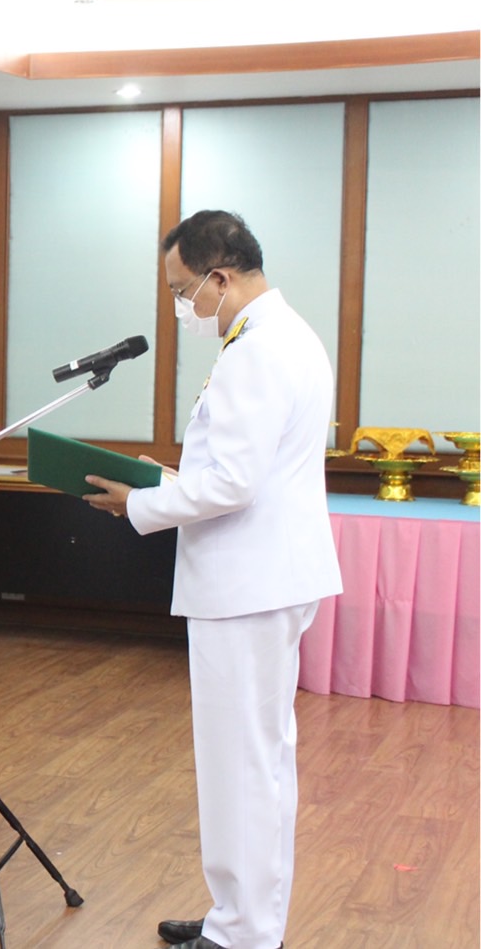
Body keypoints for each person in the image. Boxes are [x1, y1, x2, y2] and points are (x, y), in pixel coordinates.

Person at [83, 210, 342, 949]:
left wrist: (138, 503)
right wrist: (167, 481)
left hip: (247, 583)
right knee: (255, 759)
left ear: (219, 278)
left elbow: (231, 483)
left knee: (242, 764)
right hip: (265, 575)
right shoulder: (285, 334)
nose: (180, 306)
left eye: (182, 289)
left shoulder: (257, 350)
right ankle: (240, 915)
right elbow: (242, 470)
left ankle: (244, 933)